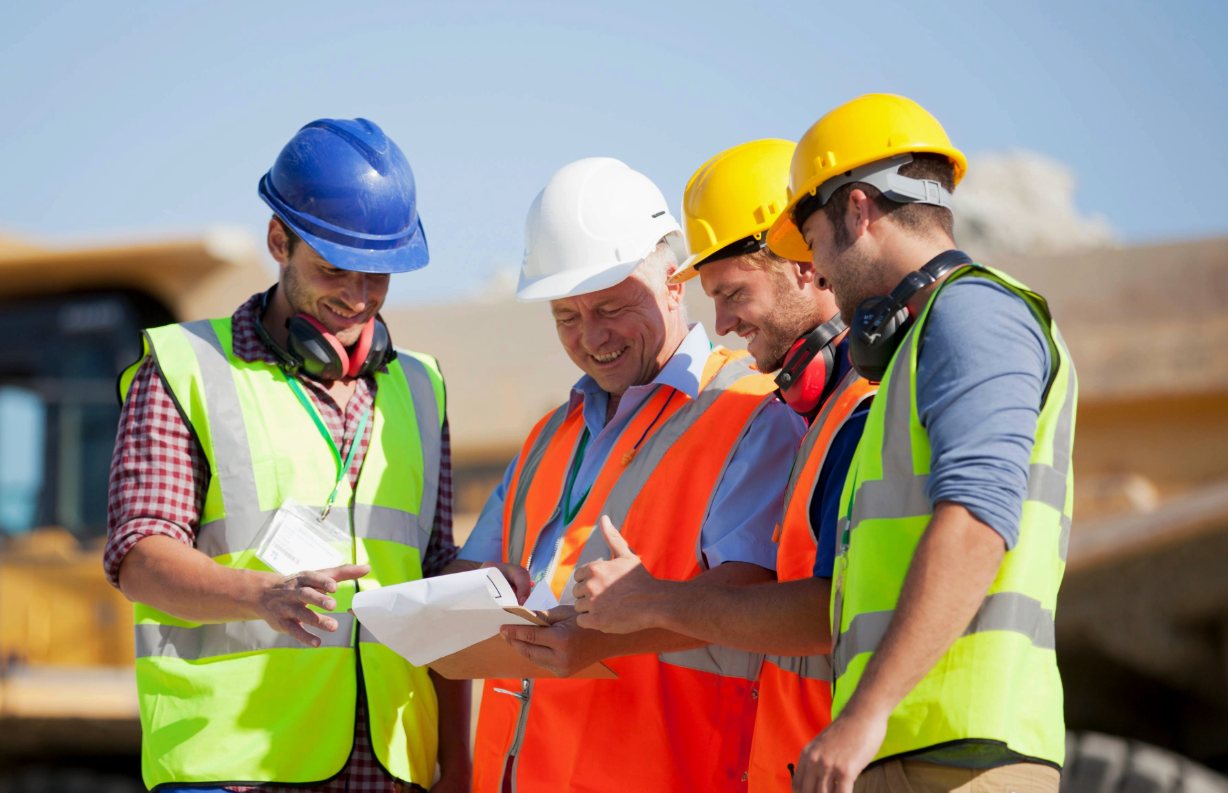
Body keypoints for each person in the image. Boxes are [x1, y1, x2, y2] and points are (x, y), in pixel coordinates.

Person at [105, 118, 470, 793]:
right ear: (279, 240)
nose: (358, 298)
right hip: (236, 769)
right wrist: (262, 595)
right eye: (333, 269)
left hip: (392, 769)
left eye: (377, 276)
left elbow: (435, 579)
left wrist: (459, 763)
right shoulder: (187, 367)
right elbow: (140, 558)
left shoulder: (422, 387)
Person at [444, 157, 806, 793]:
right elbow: (470, 571)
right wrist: (475, 590)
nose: (592, 337)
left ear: (674, 283)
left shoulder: (752, 413)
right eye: (566, 316)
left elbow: (752, 597)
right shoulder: (551, 434)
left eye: (611, 307)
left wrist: (604, 635)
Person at [767, 94, 1076, 793]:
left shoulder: (974, 313)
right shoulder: (920, 343)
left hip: (959, 751)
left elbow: (976, 520)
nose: (817, 270)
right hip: (923, 747)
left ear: (857, 210)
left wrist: (865, 714)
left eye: (812, 241)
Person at [571, 138, 878, 793]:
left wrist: (652, 601)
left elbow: (828, 613)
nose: (722, 322)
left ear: (806, 265)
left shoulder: (862, 410)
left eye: (734, 292)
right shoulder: (818, 414)